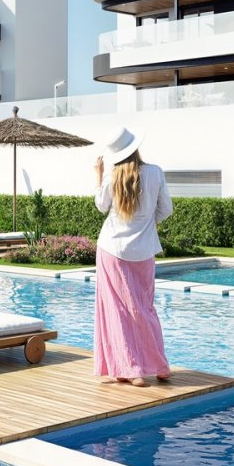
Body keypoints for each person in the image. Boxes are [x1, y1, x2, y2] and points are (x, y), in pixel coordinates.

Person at [92, 126, 172, 387]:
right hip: (144, 251)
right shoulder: (155, 172)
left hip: (112, 250)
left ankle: (131, 369)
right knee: (145, 308)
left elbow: (101, 206)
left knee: (118, 311)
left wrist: (98, 175)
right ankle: (159, 366)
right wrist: (146, 225)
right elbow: (166, 210)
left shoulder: (111, 176)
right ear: (135, 147)